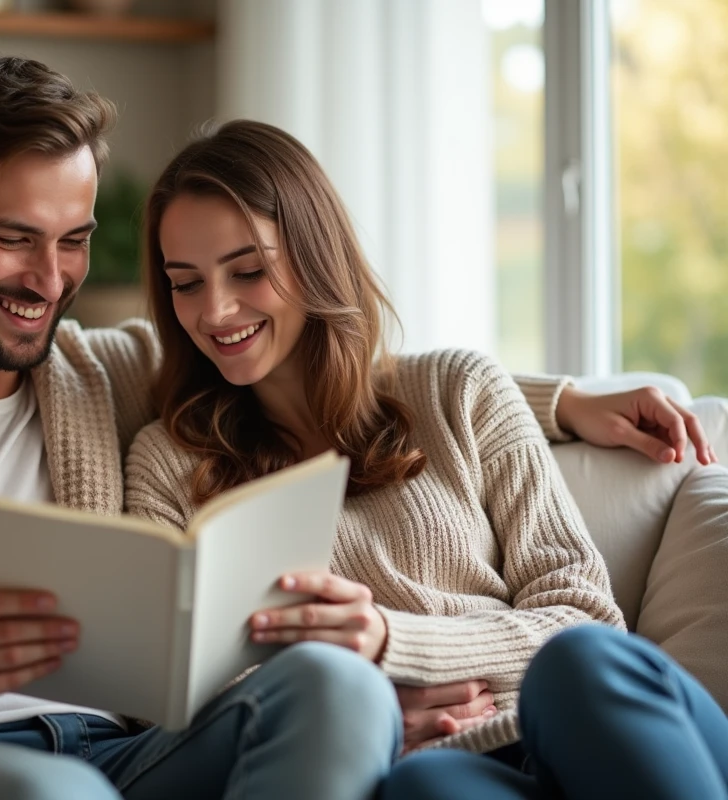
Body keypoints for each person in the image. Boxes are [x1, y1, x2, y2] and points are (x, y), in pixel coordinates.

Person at [0, 54, 713, 800]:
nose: (49, 280)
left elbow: (316, 362)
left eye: (73, 240)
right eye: (12, 239)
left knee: (333, 685)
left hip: (123, 750)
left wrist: (564, 399)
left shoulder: (97, 371)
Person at [121, 118, 727, 799]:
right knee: (425, 788)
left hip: (579, 721)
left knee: (579, 662)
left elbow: (585, 615)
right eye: (185, 283)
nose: (215, 310)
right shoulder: (170, 462)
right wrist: (369, 709)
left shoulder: (458, 390)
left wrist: (394, 644)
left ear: (316, 256)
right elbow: (178, 690)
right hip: (434, 766)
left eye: (249, 271)